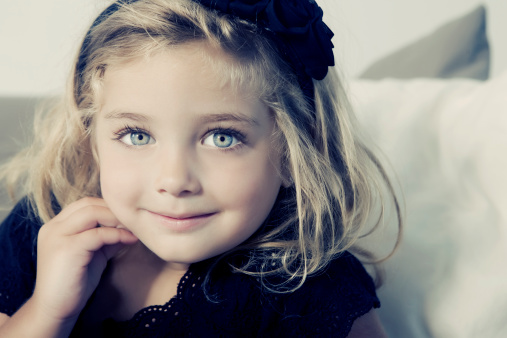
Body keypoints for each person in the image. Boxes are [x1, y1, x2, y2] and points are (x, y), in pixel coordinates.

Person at [0, 0, 402, 336]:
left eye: (222, 137)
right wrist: (48, 313)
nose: (174, 180)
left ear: (294, 152)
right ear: (91, 141)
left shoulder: (314, 289)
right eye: (136, 135)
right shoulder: (44, 226)